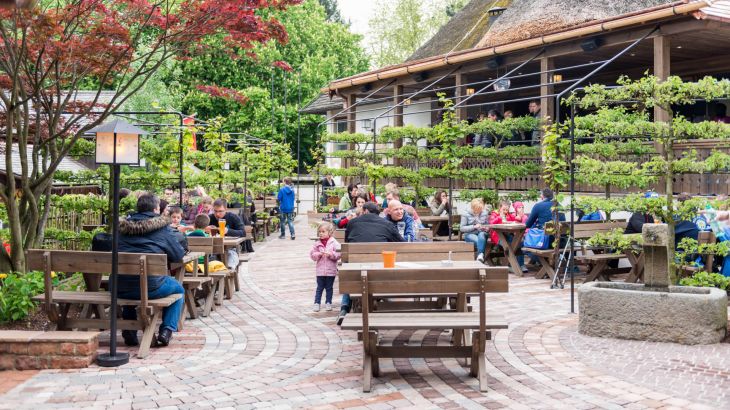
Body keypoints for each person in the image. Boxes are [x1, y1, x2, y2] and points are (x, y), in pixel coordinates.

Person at [117, 193, 185, 348]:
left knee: (131, 281)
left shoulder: (121, 229)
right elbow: (178, 255)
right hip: (152, 287)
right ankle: (167, 329)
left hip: (119, 287)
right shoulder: (162, 228)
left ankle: (130, 329)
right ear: (156, 209)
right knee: (179, 290)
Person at [339, 202, 404, 324]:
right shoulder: (387, 224)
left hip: (356, 266)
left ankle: (344, 308)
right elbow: (401, 244)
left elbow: (347, 243)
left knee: (350, 271)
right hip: (379, 268)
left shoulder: (352, 223)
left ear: (364, 211)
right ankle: (384, 299)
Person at [310, 222, 341, 312]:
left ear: (329, 232)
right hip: (320, 270)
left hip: (331, 270)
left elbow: (339, 254)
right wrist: (319, 254)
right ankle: (317, 303)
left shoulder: (334, 242)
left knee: (329, 287)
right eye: (319, 231)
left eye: (323, 231)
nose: (321, 233)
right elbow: (312, 255)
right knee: (319, 287)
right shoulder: (317, 243)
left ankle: (328, 302)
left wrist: (331, 255)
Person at [208, 199, 246, 269]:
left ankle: (229, 271)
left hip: (231, 248)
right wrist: (206, 229)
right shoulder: (210, 218)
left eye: (220, 211)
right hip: (213, 249)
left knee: (231, 256)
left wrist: (228, 231)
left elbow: (243, 233)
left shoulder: (233, 217)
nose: (217, 214)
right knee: (211, 260)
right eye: (215, 211)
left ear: (226, 209)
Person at [460, 198, 490, 263]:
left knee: (481, 236)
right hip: (470, 234)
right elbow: (462, 228)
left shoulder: (484, 212)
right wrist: (474, 226)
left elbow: (488, 225)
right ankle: (481, 254)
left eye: (480, 209)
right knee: (480, 241)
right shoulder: (465, 213)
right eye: (477, 210)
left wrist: (486, 228)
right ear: (472, 208)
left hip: (482, 233)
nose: (479, 211)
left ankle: (480, 255)